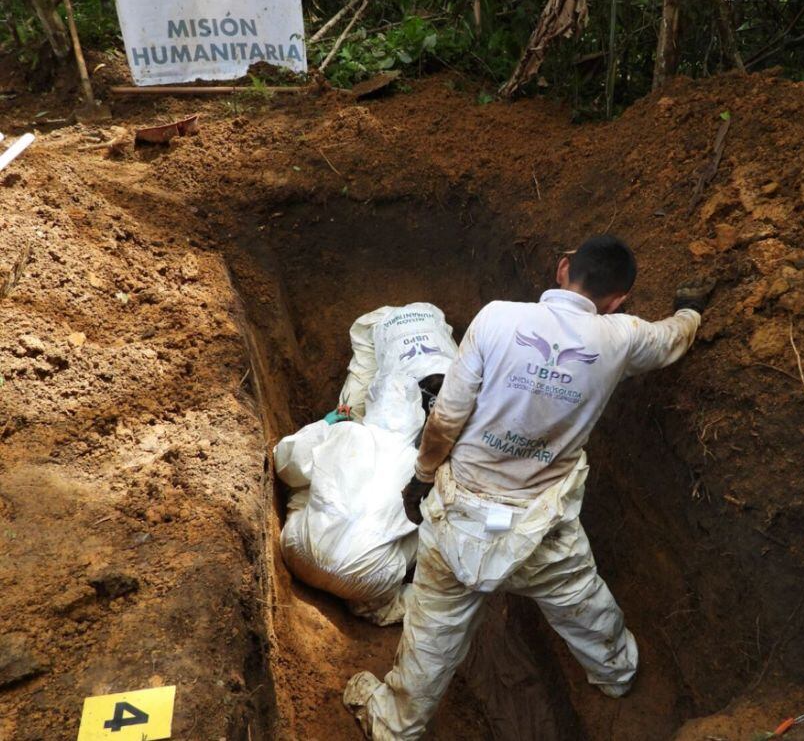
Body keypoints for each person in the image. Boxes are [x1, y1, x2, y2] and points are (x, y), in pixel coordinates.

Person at [342, 235, 716, 737]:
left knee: (431, 633)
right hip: (542, 531)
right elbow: (671, 338)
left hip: (458, 522)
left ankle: (394, 723)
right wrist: (690, 310)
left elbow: (447, 416)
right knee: (582, 601)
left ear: (563, 269)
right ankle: (618, 676)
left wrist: (422, 477)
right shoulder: (622, 337)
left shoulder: (497, 319)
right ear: (618, 300)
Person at [274, 304, 458, 625]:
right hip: (366, 579)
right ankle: (375, 607)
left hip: (296, 552)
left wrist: (325, 426)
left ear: (373, 405)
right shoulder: (427, 468)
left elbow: (284, 462)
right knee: (426, 523)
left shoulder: (348, 434)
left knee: (310, 483)